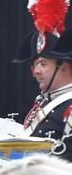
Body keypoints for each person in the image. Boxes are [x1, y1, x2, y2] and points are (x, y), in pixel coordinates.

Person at [13, 0, 72, 161]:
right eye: (35, 64)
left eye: (43, 63)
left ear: (64, 66)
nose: (36, 71)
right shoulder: (44, 102)